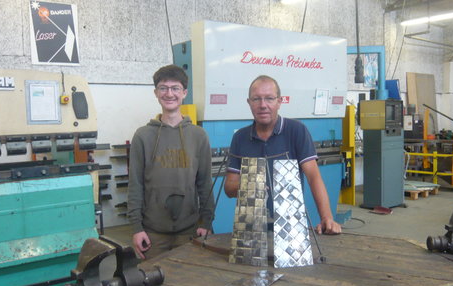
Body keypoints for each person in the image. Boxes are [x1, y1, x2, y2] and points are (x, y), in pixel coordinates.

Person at [224, 75, 341, 235]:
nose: (263, 105)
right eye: (256, 99)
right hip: (251, 232)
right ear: (249, 103)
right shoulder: (240, 138)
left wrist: (327, 217)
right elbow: (229, 188)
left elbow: (313, 177)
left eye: (269, 99)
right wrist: (250, 186)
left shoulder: (297, 131)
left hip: (291, 228)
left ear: (280, 101)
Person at [127, 65, 214, 259]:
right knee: (153, 285)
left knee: (189, 283)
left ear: (184, 93)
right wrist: (136, 228)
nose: (169, 93)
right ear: (156, 93)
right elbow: (135, 184)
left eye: (175, 88)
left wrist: (206, 222)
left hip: (189, 231)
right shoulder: (143, 136)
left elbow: (205, 184)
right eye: (163, 88)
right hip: (152, 234)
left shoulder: (198, 136)